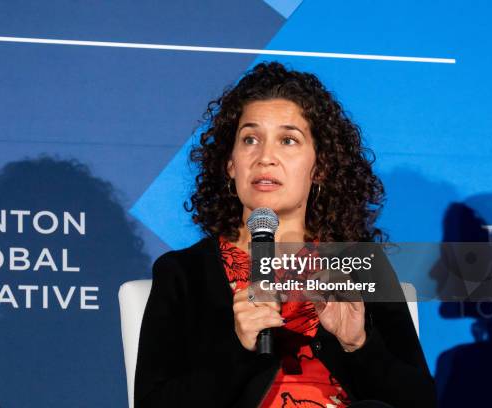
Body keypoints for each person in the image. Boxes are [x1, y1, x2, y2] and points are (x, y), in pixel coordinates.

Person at [134, 61, 436, 408]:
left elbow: (421, 402)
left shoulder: (360, 264)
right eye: (250, 139)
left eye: (288, 140)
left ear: (319, 166)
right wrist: (238, 347)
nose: (265, 157)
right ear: (230, 164)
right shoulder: (183, 273)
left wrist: (359, 345)